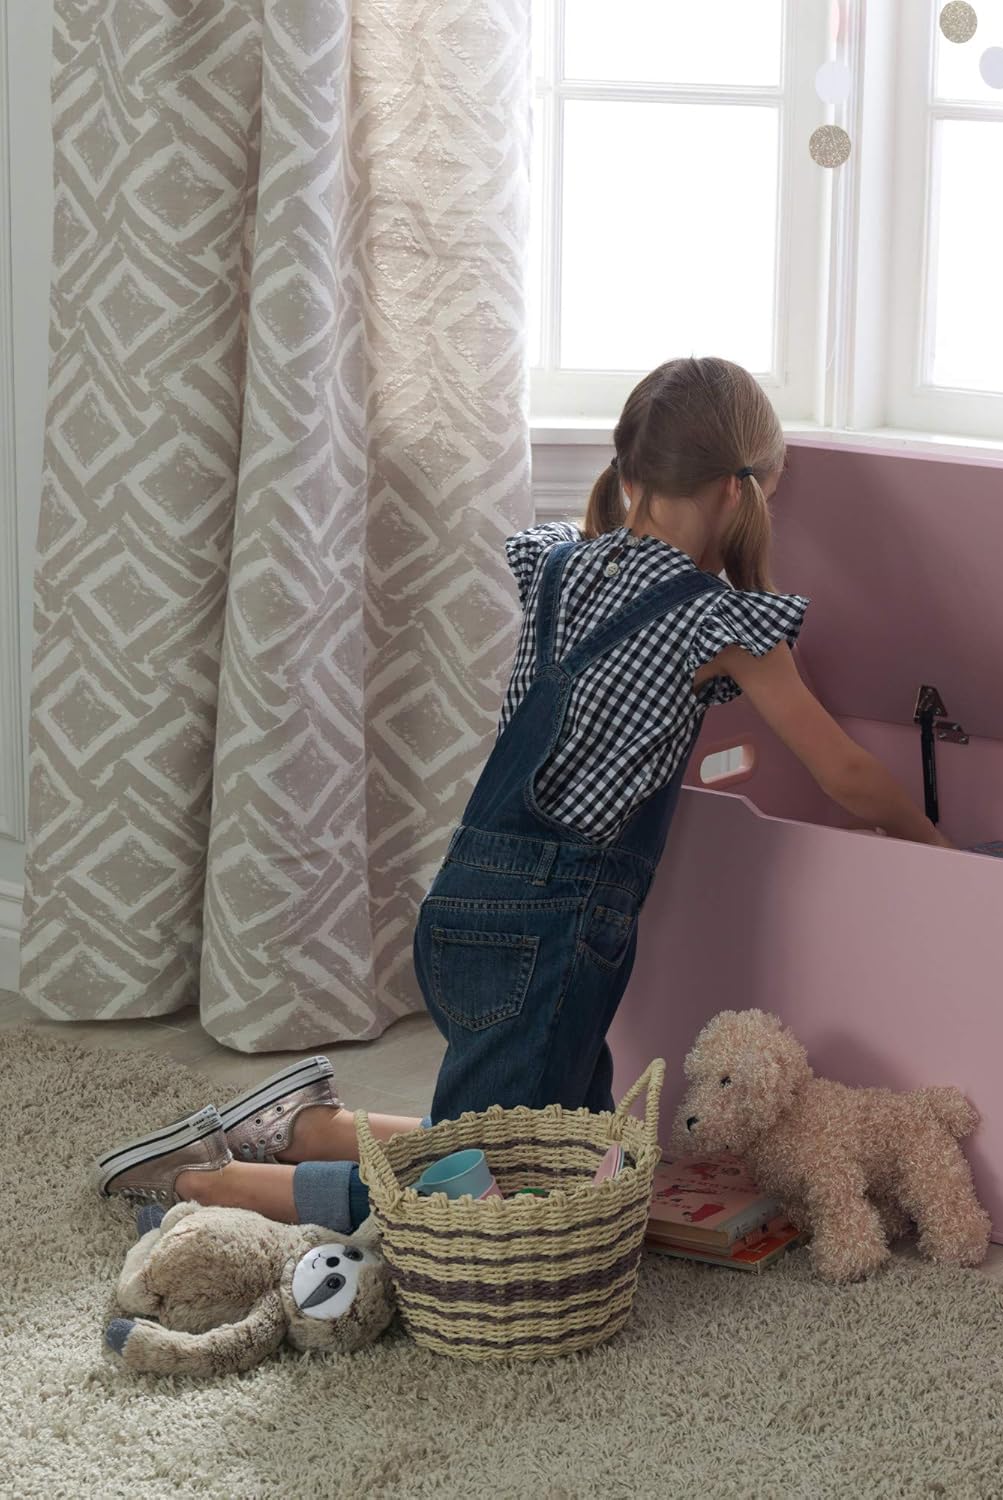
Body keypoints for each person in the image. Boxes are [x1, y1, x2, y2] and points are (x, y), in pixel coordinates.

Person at [93, 357, 949, 1230]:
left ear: (633, 470)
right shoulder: (715, 617)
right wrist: (935, 845)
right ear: (737, 494)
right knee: (477, 1204)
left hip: (465, 900)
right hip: (552, 935)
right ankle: (208, 1184)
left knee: (576, 1165)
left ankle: (312, 1129)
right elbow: (841, 770)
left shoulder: (563, 567)